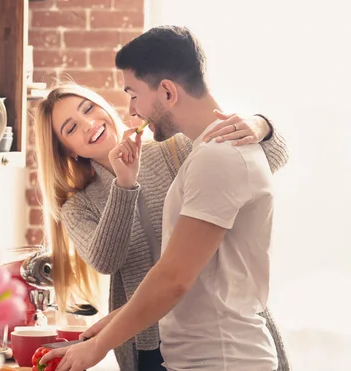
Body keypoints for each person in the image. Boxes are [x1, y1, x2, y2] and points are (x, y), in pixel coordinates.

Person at [39, 26, 288, 371]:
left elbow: (259, 162)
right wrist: (124, 186)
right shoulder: (77, 203)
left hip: (216, 337)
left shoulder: (180, 148)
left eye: (88, 108)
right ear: (67, 151)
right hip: (153, 337)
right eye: (70, 128)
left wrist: (259, 124)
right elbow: (108, 260)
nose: (87, 123)